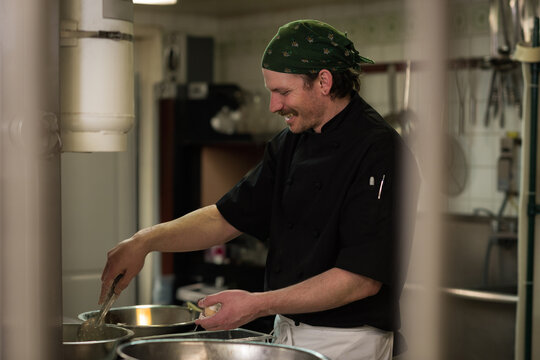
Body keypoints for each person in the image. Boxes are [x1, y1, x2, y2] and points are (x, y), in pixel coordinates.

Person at [99, 19, 419, 360]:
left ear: (323, 81)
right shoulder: (289, 144)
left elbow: (360, 279)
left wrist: (257, 304)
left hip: (350, 343)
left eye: (283, 92)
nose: (274, 105)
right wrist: (145, 242)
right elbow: (225, 217)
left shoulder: (380, 150)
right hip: (286, 333)